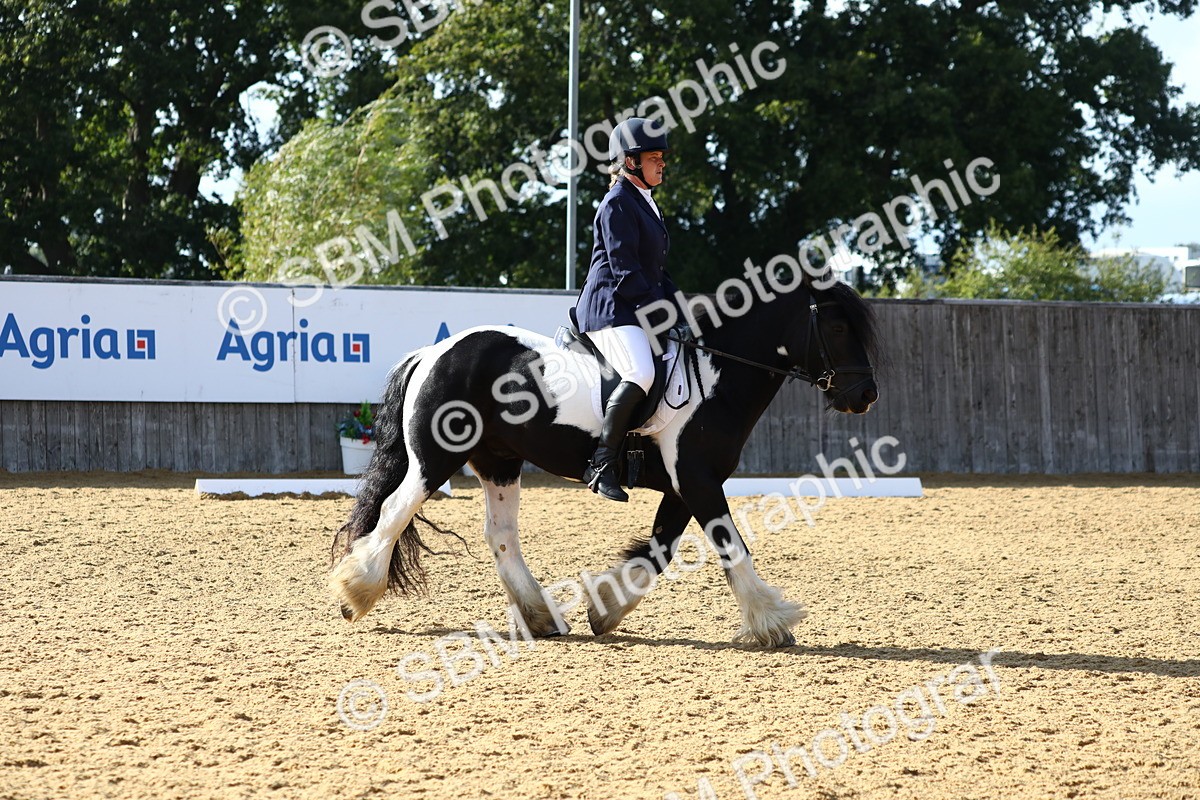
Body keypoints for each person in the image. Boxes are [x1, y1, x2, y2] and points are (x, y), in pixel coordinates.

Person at [574, 117, 683, 502]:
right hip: (610, 309)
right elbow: (625, 270)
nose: (662, 163)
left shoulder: (645, 203)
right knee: (640, 371)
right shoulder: (617, 203)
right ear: (631, 162)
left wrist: (682, 308)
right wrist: (661, 312)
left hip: (632, 307)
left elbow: (657, 272)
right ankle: (601, 463)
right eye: (654, 157)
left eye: (662, 157)